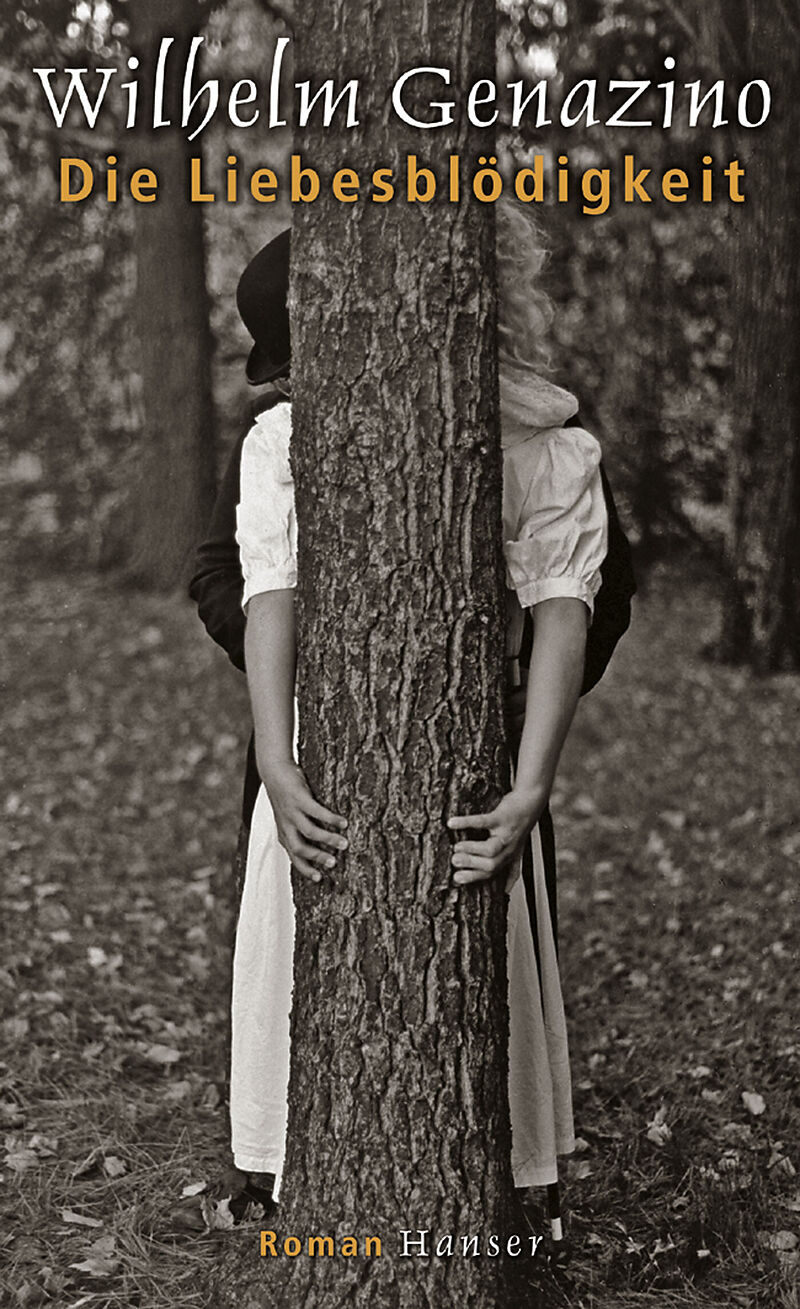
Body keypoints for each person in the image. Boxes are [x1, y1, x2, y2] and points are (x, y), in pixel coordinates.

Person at [190, 212, 634, 1218]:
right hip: (312, 741)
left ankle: (495, 1176)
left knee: (478, 946)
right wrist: (286, 742)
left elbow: (576, 604)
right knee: (306, 940)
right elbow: (252, 583)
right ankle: (286, 1162)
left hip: (483, 748)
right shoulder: (280, 442)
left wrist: (528, 764)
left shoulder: (547, 444)